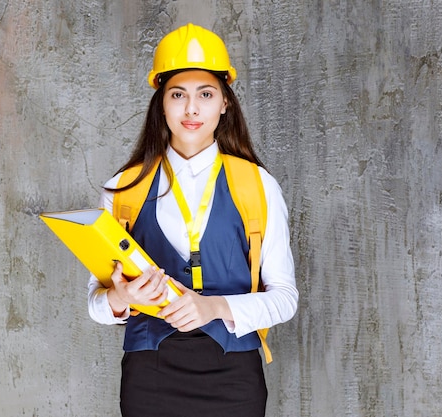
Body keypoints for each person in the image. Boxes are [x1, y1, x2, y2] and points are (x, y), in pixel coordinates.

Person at [87, 23, 298, 417]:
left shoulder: (258, 185)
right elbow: (95, 304)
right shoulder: (123, 189)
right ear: (161, 103)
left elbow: (285, 299)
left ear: (225, 103)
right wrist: (122, 299)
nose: (191, 109)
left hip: (234, 376)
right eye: (178, 95)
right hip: (149, 376)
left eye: (205, 94)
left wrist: (214, 308)